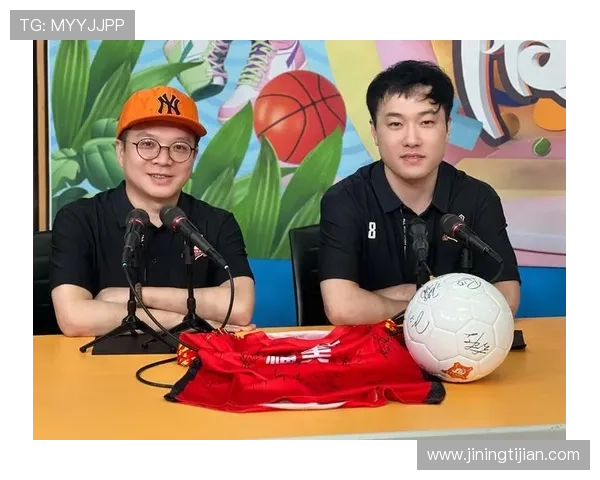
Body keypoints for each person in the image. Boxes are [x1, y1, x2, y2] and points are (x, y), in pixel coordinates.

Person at [318, 60, 521, 326]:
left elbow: (506, 299)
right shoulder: (345, 200)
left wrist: (400, 298)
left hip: (456, 349)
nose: (412, 140)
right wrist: (443, 308)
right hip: (372, 348)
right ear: (374, 132)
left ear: (447, 128)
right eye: (395, 124)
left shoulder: (478, 198)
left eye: (426, 122)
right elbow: (342, 308)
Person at [49, 85, 256, 337]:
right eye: (147, 144)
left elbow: (239, 307)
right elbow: (74, 318)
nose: (163, 159)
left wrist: (132, 296)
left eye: (179, 147)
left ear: (193, 157)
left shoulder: (218, 222)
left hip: (193, 359)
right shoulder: (78, 219)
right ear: (120, 151)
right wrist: (185, 321)